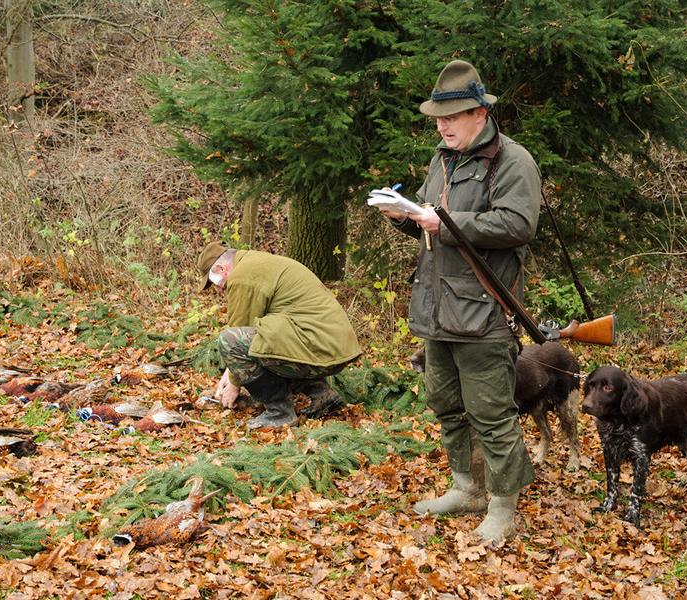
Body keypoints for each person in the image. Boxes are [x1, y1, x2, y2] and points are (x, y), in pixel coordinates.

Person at [379, 60, 541, 542]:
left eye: (451, 117)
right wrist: (404, 216)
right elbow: (430, 222)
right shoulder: (443, 159)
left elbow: (518, 225)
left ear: (479, 114)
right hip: (435, 308)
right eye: (438, 119)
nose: (442, 127)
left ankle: (503, 505)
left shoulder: (513, 161)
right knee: (447, 404)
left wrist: (446, 222)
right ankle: (467, 488)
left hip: (484, 312)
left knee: (491, 411)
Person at [196, 241, 362, 429]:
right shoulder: (257, 263)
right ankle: (322, 394)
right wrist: (230, 373)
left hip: (316, 343)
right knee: (273, 335)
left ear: (221, 268)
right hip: (333, 345)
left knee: (229, 340)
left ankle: (279, 412)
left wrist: (234, 384)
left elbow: (237, 335)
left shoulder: (242, 276)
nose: (218, 290)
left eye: (214, 283)